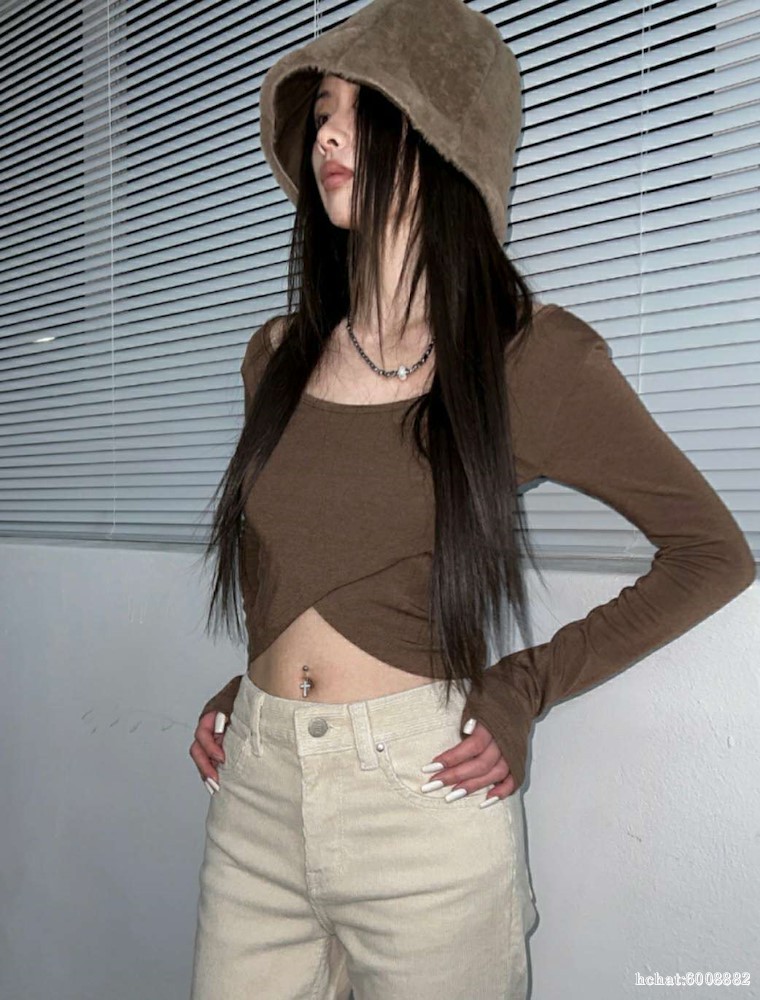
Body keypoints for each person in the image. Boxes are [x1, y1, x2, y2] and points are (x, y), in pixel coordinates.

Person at [187, 2, 756, 998]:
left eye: (362, 110)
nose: (327, 134)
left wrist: (523, 686)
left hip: (421, 803)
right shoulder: (274, 356)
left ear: (448, 138)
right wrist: (256, 690)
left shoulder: (528, 359)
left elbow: (710, 552)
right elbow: (297, 562)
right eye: (320, 111)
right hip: (257, 795)